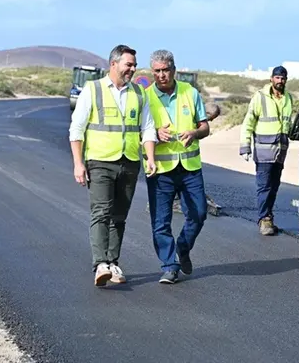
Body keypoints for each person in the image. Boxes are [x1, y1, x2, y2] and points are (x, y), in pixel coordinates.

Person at [69, 44, 157, 287]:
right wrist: (78, 164)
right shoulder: (93, 89)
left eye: (134, 65)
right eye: (129, 64)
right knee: (101, 212)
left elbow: (147, 128)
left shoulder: (139, 93)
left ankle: (113, 262)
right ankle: (100, 264)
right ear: (114, 64)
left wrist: (150, 157)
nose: (133, 69)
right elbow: (76, 129)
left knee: (119, 215)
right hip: (99, 162)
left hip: (129, 162)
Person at [143, 49, 211, 284]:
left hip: (190, 167)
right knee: (161, 222)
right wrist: (154, 133)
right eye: (157, 71)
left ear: (174, 70)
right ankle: (170, 266)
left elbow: (205, 127)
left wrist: (194, 132)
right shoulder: (145, 97)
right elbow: (137, 132)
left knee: (199, 213)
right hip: (160, 171)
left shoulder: (190, 93)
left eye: (165, 70)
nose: (161, 75)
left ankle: (183, 246)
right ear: (152, 72)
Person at [239, 65, 293, 236]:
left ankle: (268, 216)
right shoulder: (260, 97)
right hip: (263, 151)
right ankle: (263, 219)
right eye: (277, 78)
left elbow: (287, 125)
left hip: (280, 151)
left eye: (283, 78)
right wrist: (245, 146)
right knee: (264, 187)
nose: (280, 81)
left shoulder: (288, 98)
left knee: (274, 186)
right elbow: (248, 122)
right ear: (271, 78)